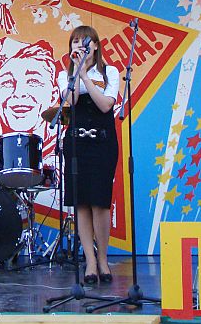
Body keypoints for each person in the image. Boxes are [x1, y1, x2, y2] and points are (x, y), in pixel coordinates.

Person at [58, 25, 120, 285]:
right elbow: (70, 102)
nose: (79, 46)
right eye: (75, 41)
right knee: (81, 202)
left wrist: (86, 77)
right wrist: (77, 73)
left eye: (84, 41)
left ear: (95, 46)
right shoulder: (65, 75)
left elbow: (106, 105)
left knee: (100, 203)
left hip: (102, 143)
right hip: (77, 143)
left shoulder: (110, 72)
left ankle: (103, 258)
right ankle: (90, 261)